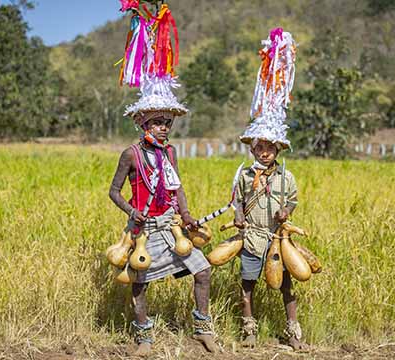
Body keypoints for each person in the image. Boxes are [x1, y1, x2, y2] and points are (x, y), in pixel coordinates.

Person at [109, 2, 216, 356]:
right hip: (144, 228)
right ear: (142, 124)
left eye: (168, 122)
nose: (164, 128)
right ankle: (144, 338)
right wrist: (131, 210)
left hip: (171, 226)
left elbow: (176, 186)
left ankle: (203, 329)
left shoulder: (170, 153)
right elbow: (113, 191)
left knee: (202, 272)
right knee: (140, 284)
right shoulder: (131, 154)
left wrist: (186, 215)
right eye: (157, 122)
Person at [231, 27, 308, 351]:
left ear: (278, 150)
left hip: (278, 237)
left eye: (270, 148)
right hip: (252, 235)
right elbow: (236, 200)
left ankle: (293, 332)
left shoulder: (285, 177)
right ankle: (249, 329)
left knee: (286, 284)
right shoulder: (245, 175)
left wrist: (286, 212)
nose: (264, 152)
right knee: (247, 281)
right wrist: (237, 216)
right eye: (259, 146)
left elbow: (292, 201)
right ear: (252, 149)